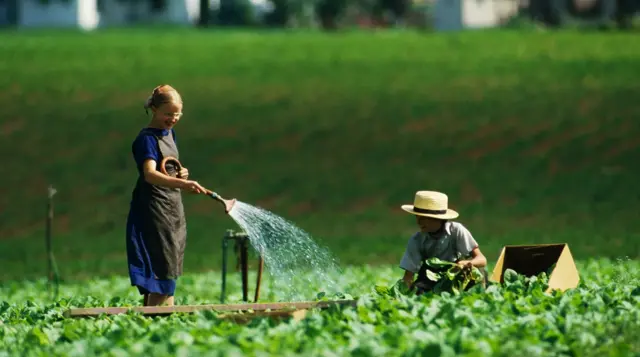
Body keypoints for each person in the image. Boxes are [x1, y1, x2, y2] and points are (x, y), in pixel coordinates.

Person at [126, 84, 208, 307]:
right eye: (168, 114)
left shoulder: (170, 134)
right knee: (162, 264)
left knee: (171, 257)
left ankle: (152, 317)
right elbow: (150, 174)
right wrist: (183, 183)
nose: (173, 119)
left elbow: (167, 167)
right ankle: (161, 316)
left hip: (172, 206)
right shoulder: (147, 139)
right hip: (154, 207)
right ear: (154, 110)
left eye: (177, 114)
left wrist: (181, 173)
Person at [398, 190, 488, 292]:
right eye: (417, 217)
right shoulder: (416, 240)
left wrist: (466, 264)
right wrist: (402, 295)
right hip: (429, 278)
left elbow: (482, 259)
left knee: (477, 276)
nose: (418, 222)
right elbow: (408, 276)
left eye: (424, 218)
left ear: (438, 219)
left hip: (458, 274)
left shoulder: (456, 230)